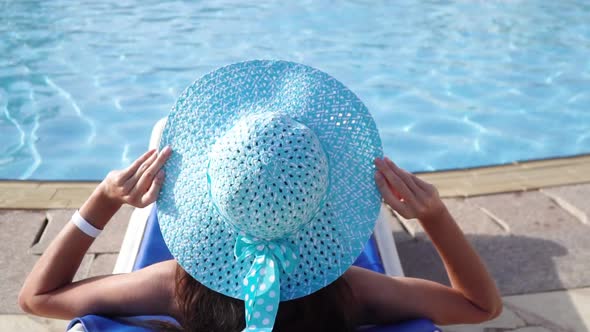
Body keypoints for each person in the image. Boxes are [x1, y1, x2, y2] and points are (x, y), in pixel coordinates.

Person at [19, 60, 502, 331]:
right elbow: (481, 306)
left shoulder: (176, 288)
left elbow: (38, 297)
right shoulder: (353, 294)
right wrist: (435, 216)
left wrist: (102, 201)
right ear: (324, 209)